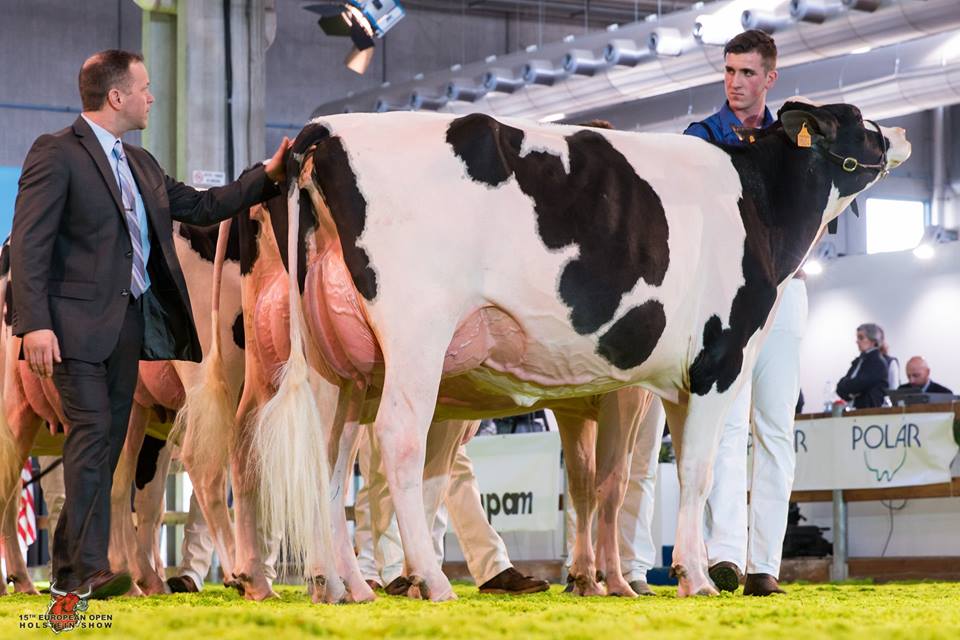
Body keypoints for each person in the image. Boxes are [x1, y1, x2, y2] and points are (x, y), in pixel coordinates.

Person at [11, 49, 289, 599]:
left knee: (107, 441)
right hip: (71, 330)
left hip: (127, 329)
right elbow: (30, 243)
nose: (151, 97)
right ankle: (84, 570)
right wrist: (34, 323)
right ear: (116, 96)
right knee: (94, 434)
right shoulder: (55, 152)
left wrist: (266, 177)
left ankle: (74, 568)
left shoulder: (140, 164)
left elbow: (203, 206)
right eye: (144, 88)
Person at [686, 29, 809, 597]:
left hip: (786, 286)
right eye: (729, 71)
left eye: (747, 73)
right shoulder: (700, 137)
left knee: (776, 427)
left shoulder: (797, 142)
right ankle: (726, 555)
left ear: (769, 78)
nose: (735, 82)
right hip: (726, 292)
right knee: (727, 426)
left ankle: (766, 565)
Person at [836, 323, 889, 409]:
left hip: (870, 410)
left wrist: (849, 388)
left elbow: (859, 384)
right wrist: (850, 391)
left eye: (861, 338)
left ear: (873, 341)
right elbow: (840, 388)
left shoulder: (877, 362)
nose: (857, 341)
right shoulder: (859, 360)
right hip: (854, 408)